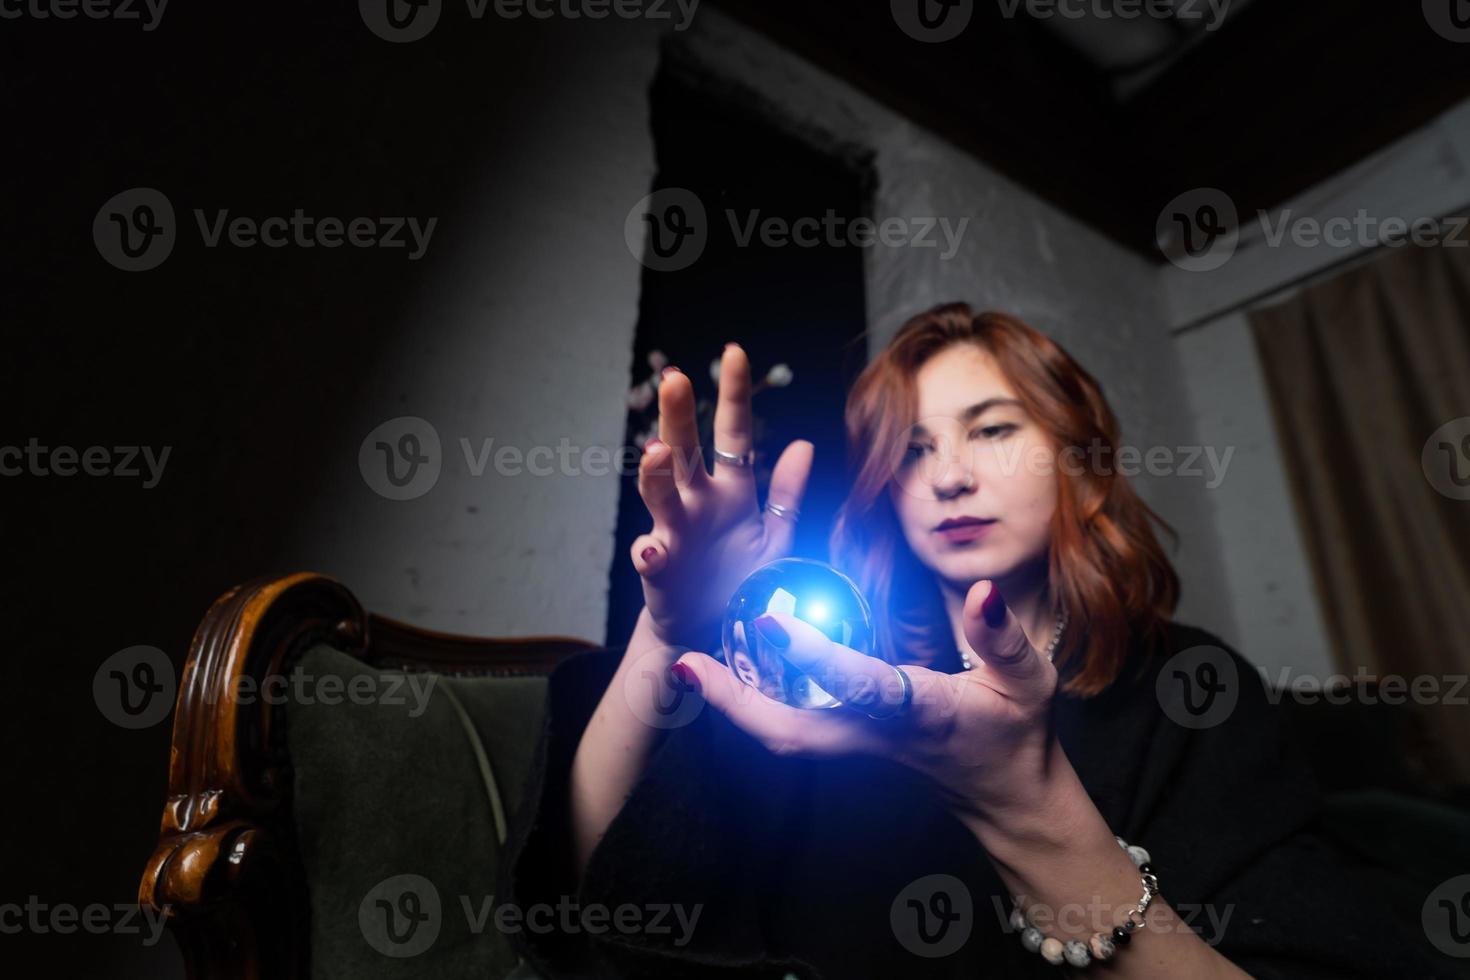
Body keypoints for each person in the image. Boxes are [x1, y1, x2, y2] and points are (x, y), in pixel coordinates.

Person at [500, 303, 1447, 979]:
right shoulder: (827, 676)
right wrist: (668, 635)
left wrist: (1030, 810)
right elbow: (605, 906)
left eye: (991, 429)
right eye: (910, 450)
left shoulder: (1193, 690)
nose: (947, 476)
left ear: (1079, 462)